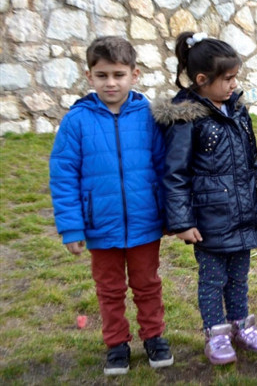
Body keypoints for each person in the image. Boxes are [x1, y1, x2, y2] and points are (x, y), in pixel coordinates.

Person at [49, 36, 173, 376]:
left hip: (146, 223)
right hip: (99, 225)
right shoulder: (76, 121)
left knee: (148, 284)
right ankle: (116, 343)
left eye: (118, 74)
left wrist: (168, 214)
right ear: (90, 77)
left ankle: (154, 337)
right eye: (102, 75)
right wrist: (72, 226)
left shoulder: (148, 116)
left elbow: (163, 168)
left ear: (134, 74)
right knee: (109, 289)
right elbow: (63, 176)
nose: (111, 82)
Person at [152, 32, 257, 365]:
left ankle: (241, 325)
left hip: (243, 212)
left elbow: (252, 159)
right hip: (208, 219)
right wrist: (182, 222)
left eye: (236, 77)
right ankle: (216, 334)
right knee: (213, 279)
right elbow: (175, 174)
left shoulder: (236, 109)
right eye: (228, 78)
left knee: (239, 275)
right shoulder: (186, 118)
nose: (234, 84)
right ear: (202, 80)